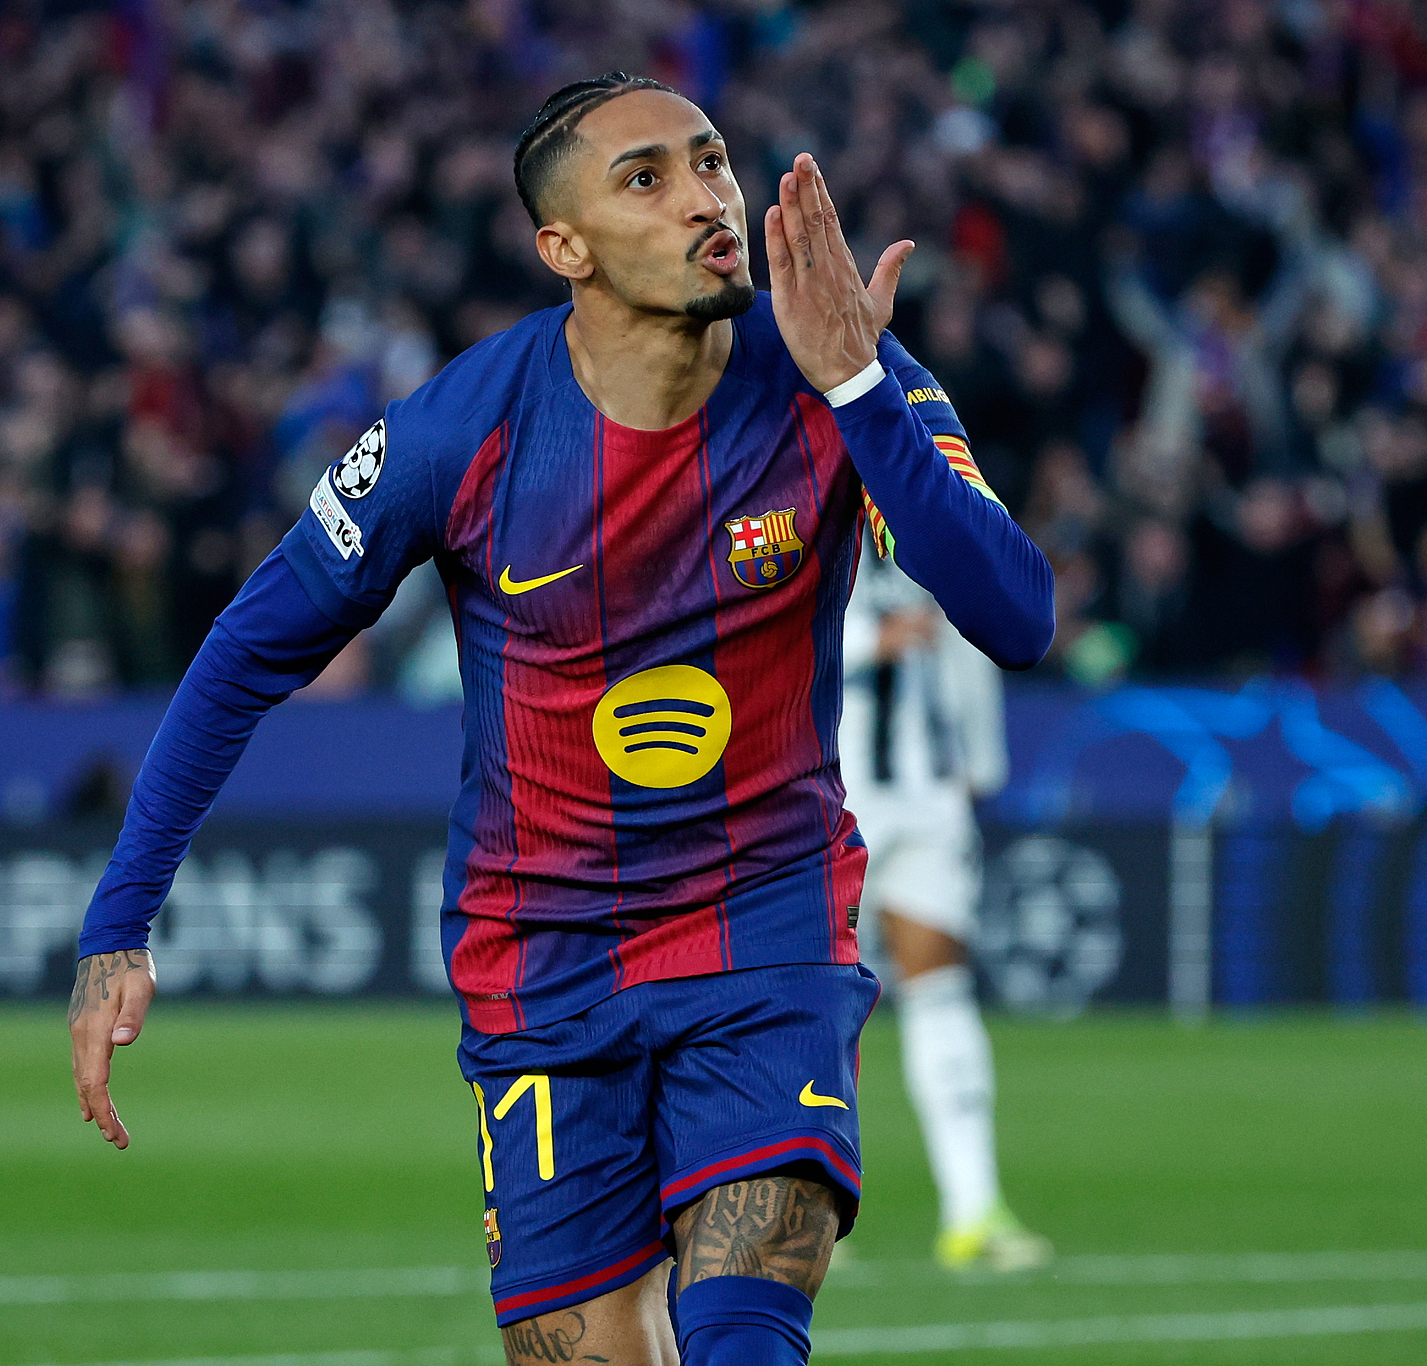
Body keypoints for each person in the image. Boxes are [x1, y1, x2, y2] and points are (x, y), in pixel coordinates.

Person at [66, 72, 1054, 1366]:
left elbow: (1017, 611)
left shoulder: (835, 360)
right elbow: (246, 651)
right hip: (542, 963)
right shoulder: (458, 431)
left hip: (762, 931)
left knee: (745, 1327)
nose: (706, 196)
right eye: (646, 177)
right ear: (564, 248)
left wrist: (860, 389)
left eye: (711, 161)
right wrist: (118, 922)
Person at [838, 537, 1053, 1272]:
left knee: (941, 991)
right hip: (826, 792)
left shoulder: (925, 511)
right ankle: (783, 1206)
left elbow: (972, 630)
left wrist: (981, 760)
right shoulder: (785, 497)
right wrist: (871, 640)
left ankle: (973, 1208)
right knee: (800, 994)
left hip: (928, 792)